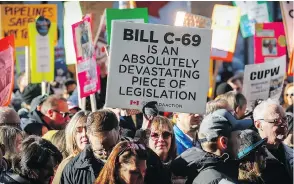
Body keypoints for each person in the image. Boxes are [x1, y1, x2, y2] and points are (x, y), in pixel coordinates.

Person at [171, 109, 252, 184]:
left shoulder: (213, 169)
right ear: (223, 142)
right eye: (238, 135)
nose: (243, 139)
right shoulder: (219, 180)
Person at [60, 109, 120, 184]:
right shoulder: (73, 168)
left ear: (119, 133)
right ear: (89, 137)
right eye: (99, 151)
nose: (106, 154)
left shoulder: (134, 162)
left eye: (112, 148)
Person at [253, 99, 293, 183]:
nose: (284, 125)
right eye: (277, 121)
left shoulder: (290, 153)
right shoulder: (250, 160)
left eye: (285, 119)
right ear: (258, 124)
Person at [52, 110, 90, 184]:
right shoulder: (67, 165)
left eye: (88, 129)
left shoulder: (107, 159)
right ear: (72, 135)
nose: (84, 134)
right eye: (79, 131)